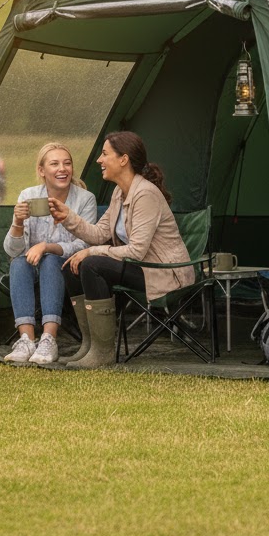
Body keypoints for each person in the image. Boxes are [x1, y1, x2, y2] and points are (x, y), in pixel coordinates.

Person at [49, 131, 192, 369]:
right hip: (142, 268)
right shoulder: (120, 192)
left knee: (92, 264)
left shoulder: (145, 193)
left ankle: (103, 352)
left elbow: (136, 251)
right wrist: (68, 217)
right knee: (71, 266)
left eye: (105, 154)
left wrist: (93, 252)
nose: (99, 160)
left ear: (123, 159)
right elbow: (98, 233)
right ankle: (90, 344)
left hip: (165, 273)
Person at [2, 142, 95, 365]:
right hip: (33, 265)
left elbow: (85, 244)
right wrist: (17, 223)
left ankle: (49, 339)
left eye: (67, 163)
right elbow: (13, 250)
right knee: (18, 263)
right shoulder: (29, 195)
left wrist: (46, 246)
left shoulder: (84, 199)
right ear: (42, 171)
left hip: (69, 268)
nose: (62, 169)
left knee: (52, 260)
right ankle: (26, 339)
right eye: (55, 164)